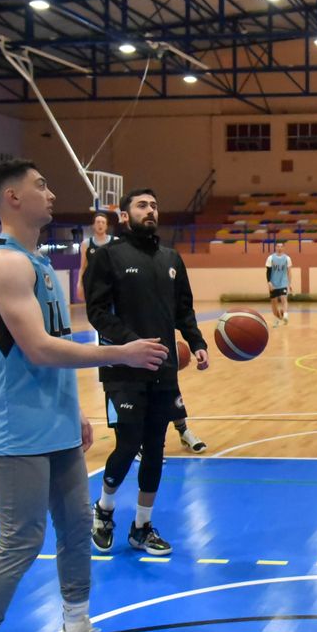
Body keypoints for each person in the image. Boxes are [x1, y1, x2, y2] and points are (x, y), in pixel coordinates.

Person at [0, 159, 168, 632]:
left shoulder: (38, 262)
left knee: (74, 531)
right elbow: (37, 349)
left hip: (55, 421)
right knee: (20, 540)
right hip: (15, 426)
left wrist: (75, 410)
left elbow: (50, 345)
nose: (51, 192)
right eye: (40, 185)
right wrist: (121, 353)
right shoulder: (3, 265)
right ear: (12, 198)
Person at [85, 187, 211, 557]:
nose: (150, 210)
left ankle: (142, 525)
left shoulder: (171, 258)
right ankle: (104, 511)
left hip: (163, 369)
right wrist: (129, 345)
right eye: (142, 205)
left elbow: (184, 310)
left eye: (154, 205)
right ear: (124, 216)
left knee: (155, 449)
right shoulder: (108, 257)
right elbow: (97, 311)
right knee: (127, 446)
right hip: (123, 368)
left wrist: (198, 342)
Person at [77, 211, 115, 299]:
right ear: (93, 225)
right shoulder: (86, 244)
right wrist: (79, 284)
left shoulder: (115, 241)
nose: (100, 225)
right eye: (98, 222)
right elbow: (83, 267)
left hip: (111, 284)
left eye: (103, 222)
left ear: (106, 226)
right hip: (93, 284)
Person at [265, 245, 292, 327]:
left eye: (281, 246)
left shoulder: (287, 258)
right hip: (273, 283)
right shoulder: (270, 258)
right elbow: (268, 271)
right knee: (274, 303)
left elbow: (289, 272)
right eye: (278, 246)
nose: (279, 248)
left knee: (284, 298)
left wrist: (289, 283)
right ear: (275, 248)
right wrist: (269, 282)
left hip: (283, 282)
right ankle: (277, 319)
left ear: (283, 248)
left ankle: (285, 316)